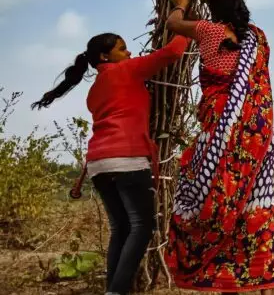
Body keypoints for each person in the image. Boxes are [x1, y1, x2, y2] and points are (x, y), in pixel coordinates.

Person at [32, 32, 189, 294]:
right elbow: (173, 51)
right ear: (106, 56)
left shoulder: (95, 90)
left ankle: (113, 290)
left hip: (98, 165)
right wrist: (182, 22)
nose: (128, 53)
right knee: (142, 227)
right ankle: (115, 291)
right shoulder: (128, 69)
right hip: (127, 160)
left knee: (121, 227)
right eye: (122, 48)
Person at [164, 0, 274, 294]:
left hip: (219, 131)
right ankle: (262, 281)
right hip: (257, 138)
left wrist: (182, 4)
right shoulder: (258, 38)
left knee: (212, 200)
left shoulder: (207, 30)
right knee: (255, 203)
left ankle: (217, 274)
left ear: (212, 5)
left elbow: (173, 25)